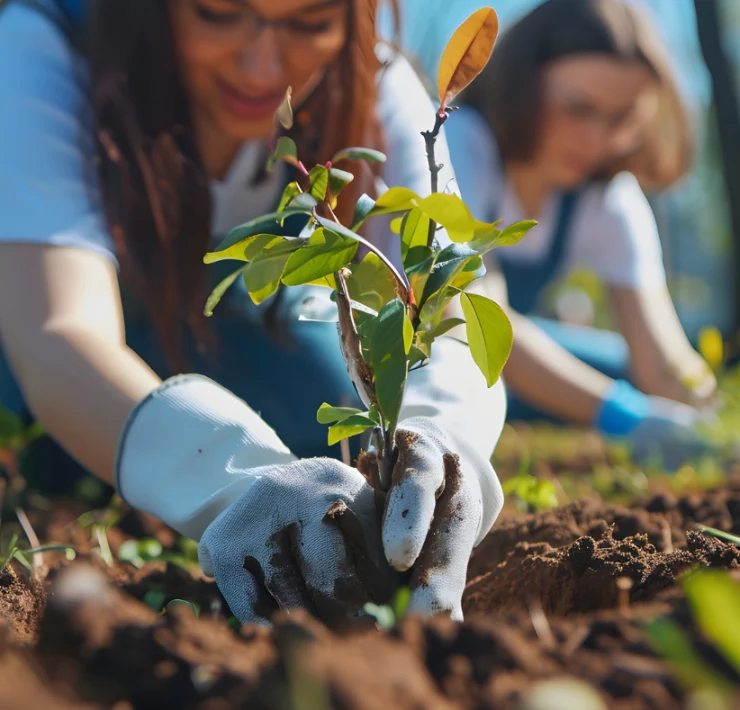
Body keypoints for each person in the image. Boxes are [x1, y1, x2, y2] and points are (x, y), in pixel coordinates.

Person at [0, 0, 506, 626]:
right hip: (28, 356)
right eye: (218, 13)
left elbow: (457, 304)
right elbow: (58, 329)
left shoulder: (374, 83)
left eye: (308, 22)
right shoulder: (47, 44)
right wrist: (239, 481)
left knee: (324, 399)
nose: (263, 64)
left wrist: (443, 443)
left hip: (222, 338)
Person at [445, 0, 720, 471]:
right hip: (435, 356)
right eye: (578, 109)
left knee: (620, 365)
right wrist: (624, 416)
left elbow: (660, 357)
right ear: (522, 89)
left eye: (620, 119)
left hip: (507, 372)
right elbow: (477, 319)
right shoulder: (461, 144)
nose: (597, 141)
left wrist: (712, 420)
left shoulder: (605, 198)